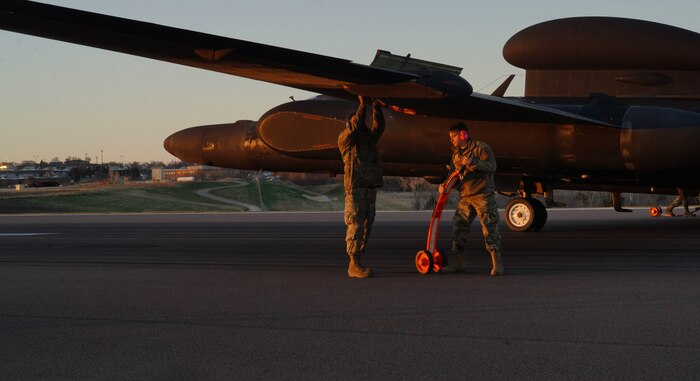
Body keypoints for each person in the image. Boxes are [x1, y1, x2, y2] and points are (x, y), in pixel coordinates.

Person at [439, 122, 504, 276]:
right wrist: (444, 185)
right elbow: (453, 174)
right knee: (459, 227)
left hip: (483, 195)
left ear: (463, 134)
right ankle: (458, 263)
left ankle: (497, 264)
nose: (451, 140)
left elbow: (492, 166)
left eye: (453, 136)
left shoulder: (481, 148)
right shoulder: (456, 154)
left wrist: (473, 162)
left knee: (490, 228)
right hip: (466, 196)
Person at [337, 96, 385, 278]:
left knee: (367, 224)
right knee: (355, 224)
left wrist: (376, 108)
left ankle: (359, 259)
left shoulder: (369, 139)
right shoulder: (345, 140)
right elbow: (356, 124)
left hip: (370, 187)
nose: (358, 123)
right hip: (355, 188)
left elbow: (379, 127)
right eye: (354, 120)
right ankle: (353, 263)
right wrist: (362, 104)